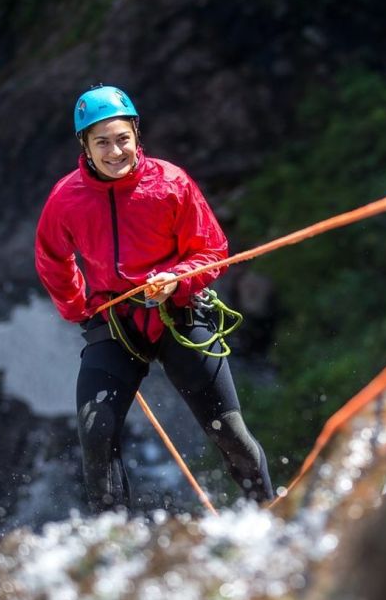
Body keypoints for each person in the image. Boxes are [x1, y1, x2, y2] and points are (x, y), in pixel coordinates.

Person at [34, 85, 274, 513]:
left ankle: (269, 513)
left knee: (229, 432)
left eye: (122, 138)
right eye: (102, 142)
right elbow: (53, 258)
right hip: (116, 323)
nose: (114, 151)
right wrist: (79, 309)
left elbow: (212, 251)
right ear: (85, 146)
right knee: (96, 433)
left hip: (178, 313)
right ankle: (114, 546)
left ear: (136, 135)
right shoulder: (66, 199)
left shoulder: (170, 183)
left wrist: (176, 278)